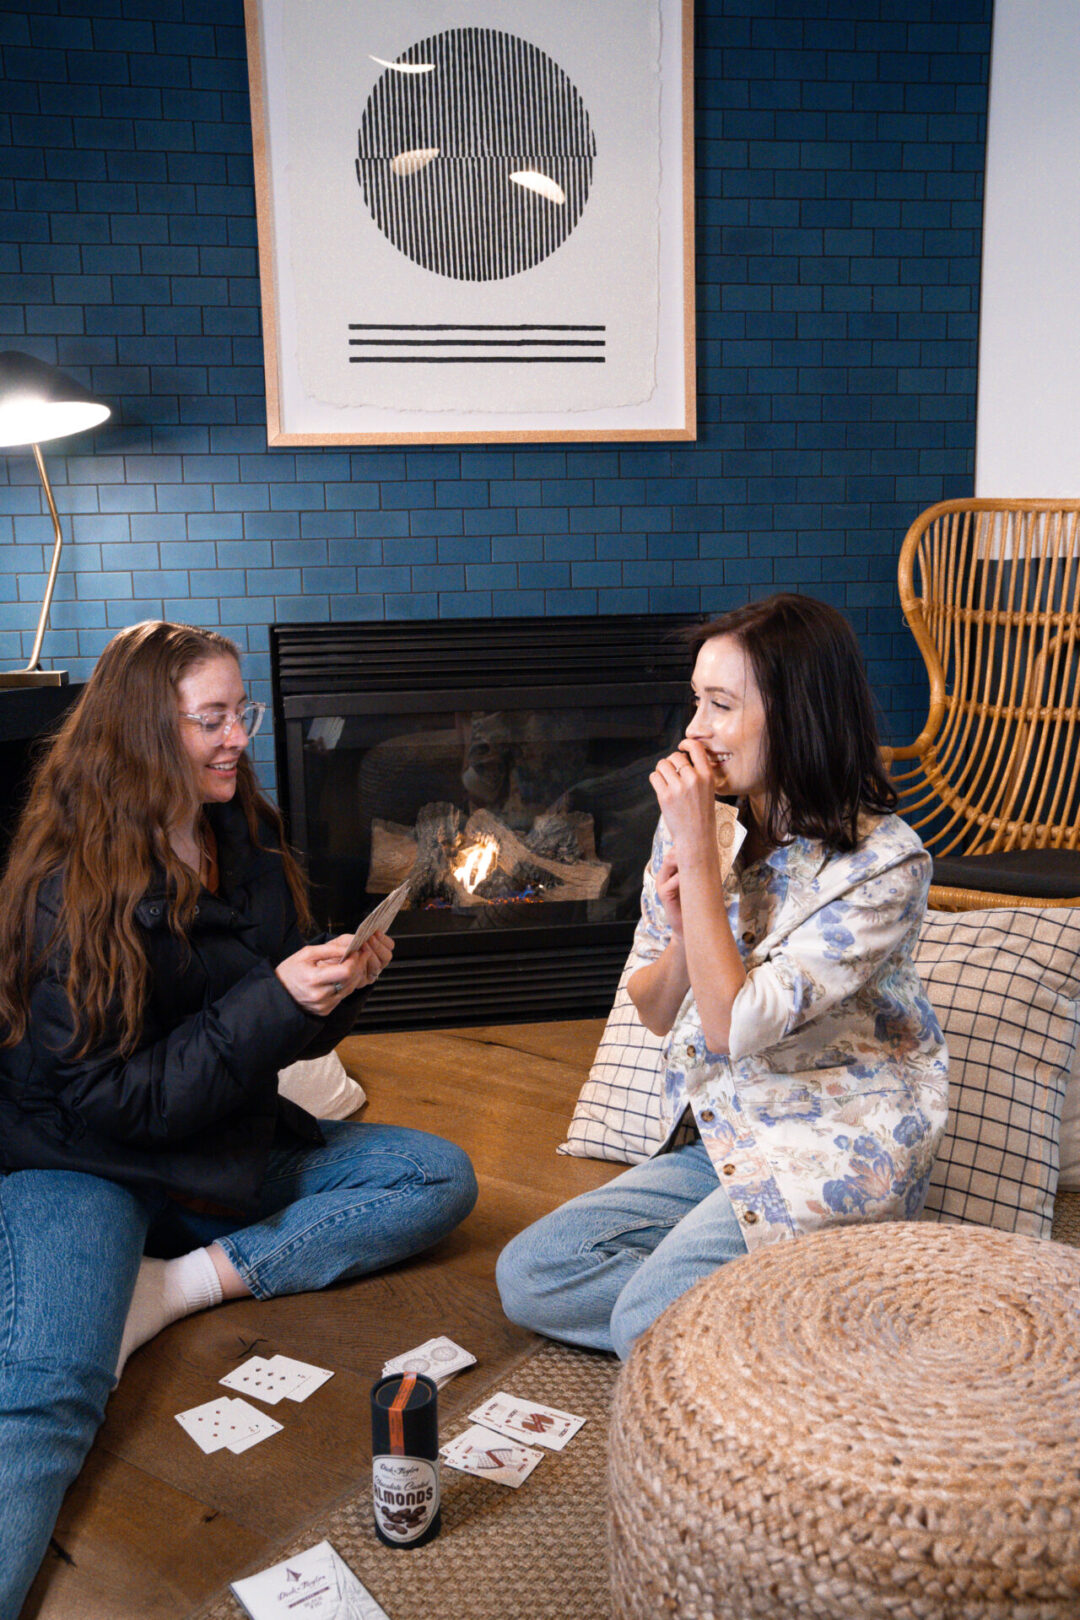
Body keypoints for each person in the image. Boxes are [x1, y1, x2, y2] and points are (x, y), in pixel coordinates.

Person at [0, 621, 477, 1616]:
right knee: (47, 1391)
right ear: (142, 730)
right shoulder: (67, 884)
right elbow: (106, 1102)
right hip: (85, 1162)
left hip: (218, 1145)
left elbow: (281, 1042)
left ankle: (170, 1288)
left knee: (435, 1176)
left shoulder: (244, 835)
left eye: (241, 713)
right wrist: (273, 1003)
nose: (235, 738)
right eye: (210, 719)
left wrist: (334, 991)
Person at [497, 593, 948, 1361]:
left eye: (720, 705)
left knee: (645, 1323)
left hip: (830, 1145)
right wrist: (682, 919)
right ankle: (788, 1311)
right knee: (532, 1275)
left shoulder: (884, 864)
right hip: (727, 1131)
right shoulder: (703, 823)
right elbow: (651, 1004)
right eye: (695, 702)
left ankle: (729, 1313)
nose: (694, 731)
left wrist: (701, 863)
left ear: (798, 714)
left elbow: (728, 1028)